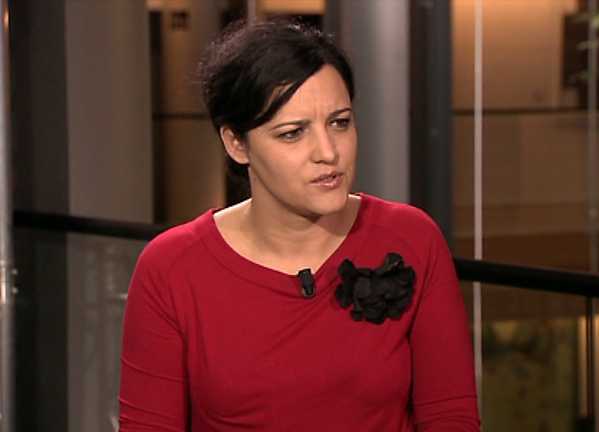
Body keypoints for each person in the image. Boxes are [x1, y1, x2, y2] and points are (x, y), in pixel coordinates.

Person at [119, 20, 479, 432]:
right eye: (293, 133)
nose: (328, 152)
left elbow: (451, 418)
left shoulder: (411, 238)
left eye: (340, 123)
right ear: (236, 143)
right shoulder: (172, 268)